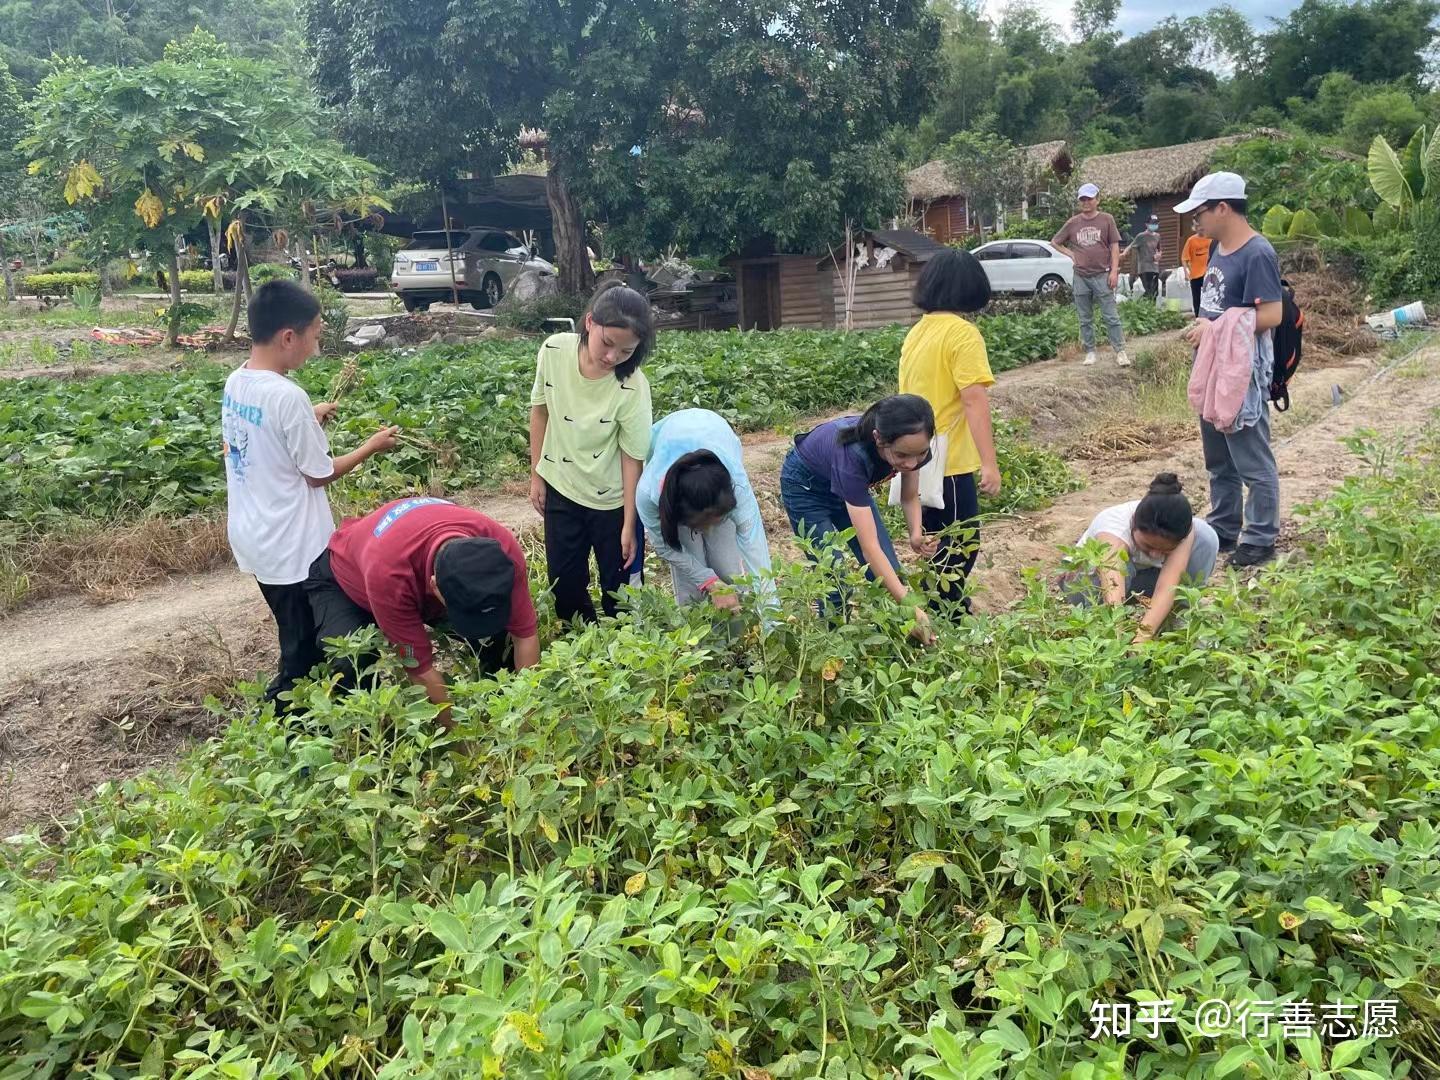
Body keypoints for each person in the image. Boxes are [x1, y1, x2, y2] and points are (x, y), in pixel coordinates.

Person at [221, 279, 398, 707]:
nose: (315, 349)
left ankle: (304, 705)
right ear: (288, 337)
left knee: (294, 629)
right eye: (315, 336)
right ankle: (290, 716)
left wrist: (310, 419)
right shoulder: (288, 396)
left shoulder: (237, 381)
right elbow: (318, 474)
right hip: (293, 547)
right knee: (306, 647)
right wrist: (371, 447)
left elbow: (258, 441)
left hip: (254, 536)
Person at [304, 497, 540, 729]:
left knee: (498, 637)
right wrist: (459, 738)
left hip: (409, 564)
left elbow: (525, 635)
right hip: (345, 581)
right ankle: (365, 733)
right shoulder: (390, 577)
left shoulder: (502, 553)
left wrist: (527, 718)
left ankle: (495, 700)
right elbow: (419, 668)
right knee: (350, 662)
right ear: (435, 587)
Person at [529, 281, 654, 623]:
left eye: (627, 352)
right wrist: (537, 474)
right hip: (561, 486)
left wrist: (630, 523)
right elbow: (540, 410)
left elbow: (633, 457)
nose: (613, 357)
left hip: (612, 501)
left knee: (621, 592)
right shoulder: (554, 351)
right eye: (608, 343)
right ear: (589, 323)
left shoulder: (632, 386)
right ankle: (581, 653)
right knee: (565, 586)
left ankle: (624, 660)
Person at [1177, 171, 1284, 568]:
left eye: (1199, 213)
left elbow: (1271, 313)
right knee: (1218, 459)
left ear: (1223, 208)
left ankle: (1259, 537)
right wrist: (1206, 329)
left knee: (1251, 459)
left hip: (1241, 373)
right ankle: (1223, 526)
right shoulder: (1220, 249)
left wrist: (1214, 328)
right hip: (1214, 367)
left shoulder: (1257, 253)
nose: (1196, 223)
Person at [780, 394, 937, 641]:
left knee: (889, 574)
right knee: (835, 580)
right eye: (902, 456)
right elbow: (869, 548)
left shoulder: (913, 449)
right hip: (807, 487)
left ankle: (895, 643)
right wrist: (910, 607)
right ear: (879, 439)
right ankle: (836, 646)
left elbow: (909, 496)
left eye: (920, 454)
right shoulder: (852, 458)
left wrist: (916, 533)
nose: (911, 463)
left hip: (849, 488)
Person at [899, 248, 1000, 616]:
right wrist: (989, 463)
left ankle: (938, 606)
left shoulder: (916, 332)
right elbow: (974, 401)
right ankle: (945, 613)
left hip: (916, 457)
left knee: (934, 543)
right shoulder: (963, 334)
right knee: (961, 544)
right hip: (951, 462)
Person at [636, 408, 774, 610]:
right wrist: (709, 581)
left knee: (728, 569)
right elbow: (666, 546)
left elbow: (756, 553)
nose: (707, 530)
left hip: (715, 433)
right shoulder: (649, 494)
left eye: (714, 521)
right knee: (691, 582)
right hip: (679, 493)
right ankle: (697, 637)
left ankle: (736, 633)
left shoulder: (736, 488)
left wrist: (771, 619)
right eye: (701, 525)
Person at [1065, 473, 1220, 644]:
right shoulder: (1113, 528)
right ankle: (1097, 633)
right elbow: (1113, 596)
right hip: (1090, 586)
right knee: (1124, 569)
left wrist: (1141, 640)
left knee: (1205, 535)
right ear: (1133, 523)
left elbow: (1168, 587)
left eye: (1165, 550)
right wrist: (1119, 644)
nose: (1155, 554)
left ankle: (1181, 616)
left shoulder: (1183, 527)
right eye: (1148, 546)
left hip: (1145, 580)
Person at [1052, 183, 1129, 368]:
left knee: (1111, 315)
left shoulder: (1106, 219)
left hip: (1102, 274)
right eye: (1083, 199)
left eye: (1089, 198)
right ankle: (1090, 351)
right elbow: (1055, 242)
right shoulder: (1073, 222)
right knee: (1085, 317)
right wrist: (1071, 254)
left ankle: (1120, 351)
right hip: (1081, 276)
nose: (1086, 202)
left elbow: (1114, 246)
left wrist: (1114, 271)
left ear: (1097, 200)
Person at [1123, 215, 1164, 302]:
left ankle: (1149, 310)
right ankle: (1141, 306)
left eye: (1156, 223)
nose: (1154, 225)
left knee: (1155, 292)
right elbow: (1131, 245)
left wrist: (1159, 255)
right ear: (1147, 224)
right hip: (1144, 267)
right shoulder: (1141, 236)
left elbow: (1159, 249)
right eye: (1152, 223)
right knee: (1148, 291)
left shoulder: (1157, 236)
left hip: (1155, 267)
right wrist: (1124, 253)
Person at [1181, 220, 1211, 317]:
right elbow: (1184, 258)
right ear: (1194, 228)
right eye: (1197, 226)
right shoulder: (1191, 240)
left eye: (1202, 226)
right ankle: (1198, 317)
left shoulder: (1211, 239)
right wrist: (1186, 272)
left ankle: (1209, 316)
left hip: (1209, 273)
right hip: (1195, 273)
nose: (1200, 228)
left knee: (1210, 296)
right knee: (1196, 298)